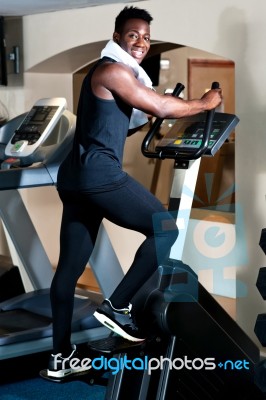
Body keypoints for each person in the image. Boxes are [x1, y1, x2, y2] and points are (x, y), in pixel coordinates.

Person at [44, 6, 222, 380]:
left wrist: (150, 116)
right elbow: (157, 104)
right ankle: (116, 306)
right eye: (132, 35)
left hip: (75, 179)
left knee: (70, 269)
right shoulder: (113, 70)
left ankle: (60, 358)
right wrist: (204, 104)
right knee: (166, 227)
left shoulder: (109, 74)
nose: (141, 42)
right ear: (117, 38)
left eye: (146, 37)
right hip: (99, 176)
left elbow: (118, 126)